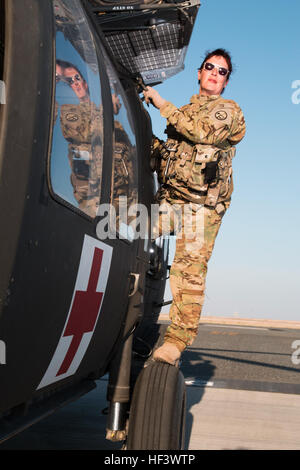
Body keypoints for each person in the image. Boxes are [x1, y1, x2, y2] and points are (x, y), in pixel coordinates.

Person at [143, 48, 246, 365]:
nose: (215, 73)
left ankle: (176, 341)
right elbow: (165, 157)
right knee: (125, 230)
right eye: (210, 67)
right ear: (199, 73)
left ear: (226, 82)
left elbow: (204, 135)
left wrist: (162, 105)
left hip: (202, 208)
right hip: (173, 200)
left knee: (189, 271)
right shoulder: (185, 112)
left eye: (222, 71)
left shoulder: (226, 111)